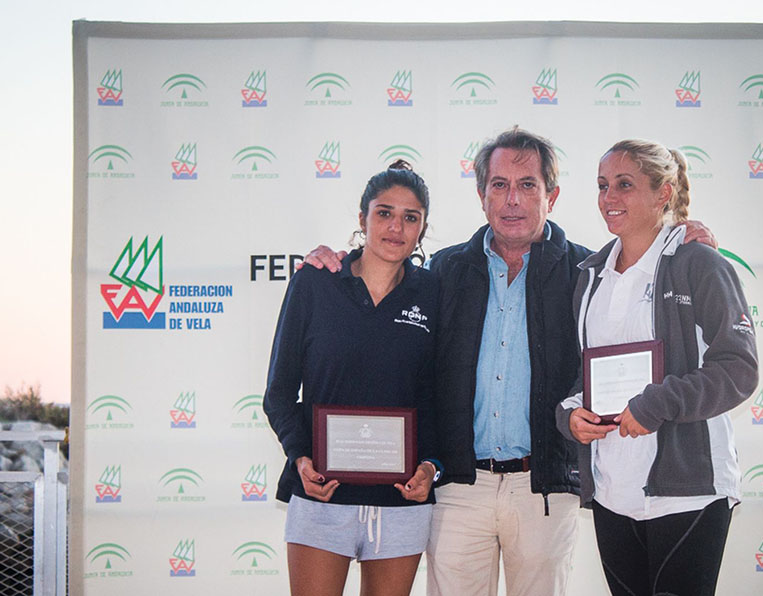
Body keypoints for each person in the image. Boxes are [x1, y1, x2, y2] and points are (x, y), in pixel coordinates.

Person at [299, 127, 718, 596]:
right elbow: (381, 277)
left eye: (527, 186)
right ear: (482, 195)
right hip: (459, 489)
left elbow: (644, 259)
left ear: (551, 196)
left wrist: (681, 234)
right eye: (499, 185)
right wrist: (335, 259)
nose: (512, 200)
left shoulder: (589, 272)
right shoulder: (444, 271)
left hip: (544, 490)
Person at [556, 139, 759, 596]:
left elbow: (738, 368)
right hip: (612, 491)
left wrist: (656, 404)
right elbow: (583, 374)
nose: (609, 198)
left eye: (624, 185)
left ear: (663, 193)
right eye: (603, 185)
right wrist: (569, 415)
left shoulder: (699, 262)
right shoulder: (589, 276)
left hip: (687, 490)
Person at [263, 161, 443, 596]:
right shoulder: (314, 283)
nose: (396, 227)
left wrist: (431, 467)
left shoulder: (434, 293)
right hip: (322, 494)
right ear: (362, 219)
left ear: (422, 228)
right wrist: (301, 458)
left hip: (401, 500)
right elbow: (279, 393)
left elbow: (440, 397)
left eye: (410, 217)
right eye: (384, 212)